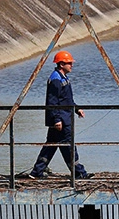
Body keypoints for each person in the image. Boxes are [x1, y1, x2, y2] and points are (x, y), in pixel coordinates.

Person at [29, 50, 91, 179]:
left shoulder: (62, 78)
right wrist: (57, 119)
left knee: (51, 145)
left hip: (63, 118)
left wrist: (76, 109)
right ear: (61, 64)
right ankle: (79, 173)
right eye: (69, 63)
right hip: (61, 120)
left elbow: (66, 99)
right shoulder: (56, 79)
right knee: (68, 145)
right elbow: (53, 101)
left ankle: (36, 172)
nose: (71, 65)